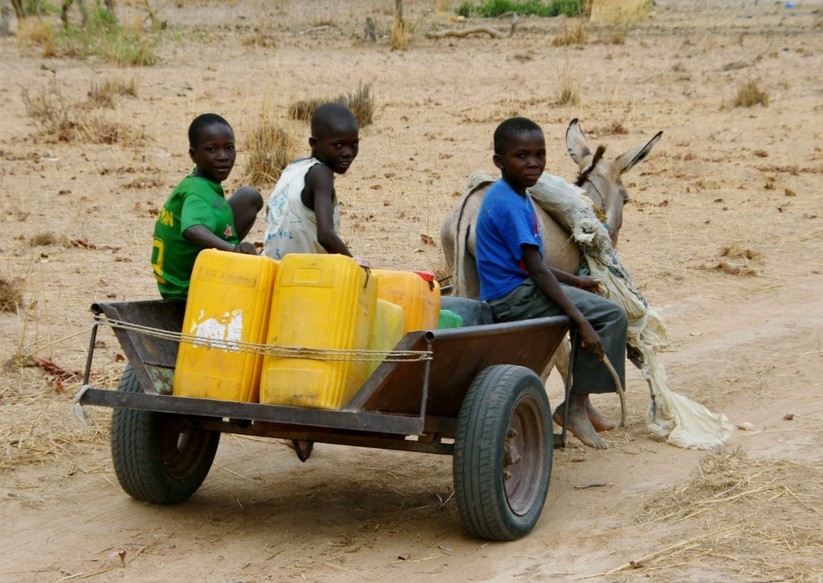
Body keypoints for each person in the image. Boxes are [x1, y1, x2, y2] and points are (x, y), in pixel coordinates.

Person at [475, 117, 628, 449]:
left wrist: (576, 281)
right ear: (499, 162)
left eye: (539, 155)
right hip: (515, 298)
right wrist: (582, 321)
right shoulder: (512, 205)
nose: (533, 163)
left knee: (592, 305)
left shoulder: (516, 194)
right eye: (522, 156)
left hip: (518, 288)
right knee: (610, 316)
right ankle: (573, 408)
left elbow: (533, 265)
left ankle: (580, 403)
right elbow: (537, 272)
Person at [151, 113, 263, 300]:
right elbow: (192, 230)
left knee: (249, 197)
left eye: (229, 148)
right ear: (193, 155)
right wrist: (233, 251)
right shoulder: (196, 193)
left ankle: (225, 256)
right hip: (186, 290)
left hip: (180, 275)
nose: (223, 157)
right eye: (211, 150)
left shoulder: (200, 182)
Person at [262, 103, 368, 265]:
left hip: (271, 267)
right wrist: (354, 265)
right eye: (338, 145)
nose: (347, 153)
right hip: (304, 275)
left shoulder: (293, 168)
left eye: (354, 144)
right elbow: (325, 236)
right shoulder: (321, 174)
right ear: (314, 144)